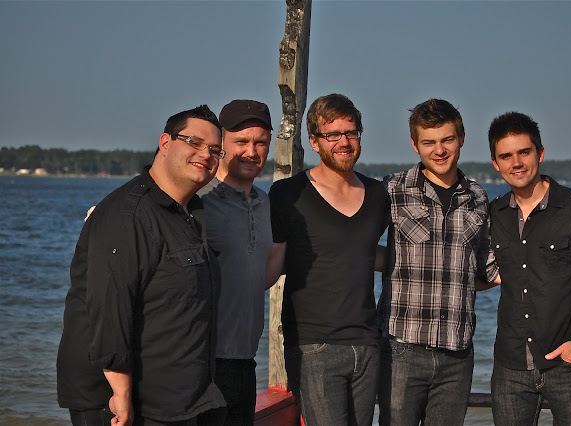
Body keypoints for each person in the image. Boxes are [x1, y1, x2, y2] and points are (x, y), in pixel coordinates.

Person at [57, 105, 226, 426]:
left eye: (215, 150)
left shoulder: (191, 213)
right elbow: (110, 305)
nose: (206, 154)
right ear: (165, 143)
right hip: (119, 401)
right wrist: (120, 390)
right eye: (194, 142)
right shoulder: (127, 213)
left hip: (174, 398)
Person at [267, 93, 390, 426]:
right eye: (332, 134)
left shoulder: (378, 194)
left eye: (351, 132)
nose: (344, 142)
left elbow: (366, 252)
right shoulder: (287, 194)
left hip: (367, 343)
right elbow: (272, 260)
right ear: (314, 141)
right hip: (313, 346)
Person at [487, 112, 571, 425]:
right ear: (495, 164)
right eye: (506, 156)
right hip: (510, 366)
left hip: (569, 364)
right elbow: (487, 273)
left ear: (540, 153)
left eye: (524, 152)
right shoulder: (494, 214)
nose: (516, 163)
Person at [377, 99, 499, 426]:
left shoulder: (477, 197)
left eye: (447, 140)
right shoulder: (392, 189)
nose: (439, 150)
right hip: (401, 349)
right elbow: (356, 242)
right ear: (415, 144)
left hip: (457, 353)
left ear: (462, 138)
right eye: (429, 142)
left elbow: (485, 268)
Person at [200, 99, 273, 425]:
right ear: (221, 143)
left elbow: (260, 274)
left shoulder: (266, 204)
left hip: (246, 361)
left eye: (260, 142)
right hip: (204, 364)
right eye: (241, 141)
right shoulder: (199, 199)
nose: (251, 151)